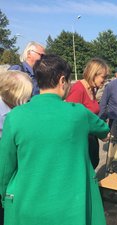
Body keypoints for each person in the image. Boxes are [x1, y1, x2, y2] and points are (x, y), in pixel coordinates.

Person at [0, 54, 110, 225]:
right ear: (62, 81)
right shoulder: (79, 113)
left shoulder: (14, 116)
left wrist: (4, 197)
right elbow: (104, 130)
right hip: (71, 206)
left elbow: (5, 166)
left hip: (27, 203)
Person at [0, 70, 33, 225]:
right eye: (27, 95)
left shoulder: (16, 110)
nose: (29, 99)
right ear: (15, 94)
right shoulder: (4, 115)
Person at [66, 58, 109, 169]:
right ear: (93, 74)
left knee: (93, 162)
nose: (104, 81)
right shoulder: (78, 89)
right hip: (81, 140)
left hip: (90, 137)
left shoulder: (92, 89)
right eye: (103, 77)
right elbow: (72, 119)